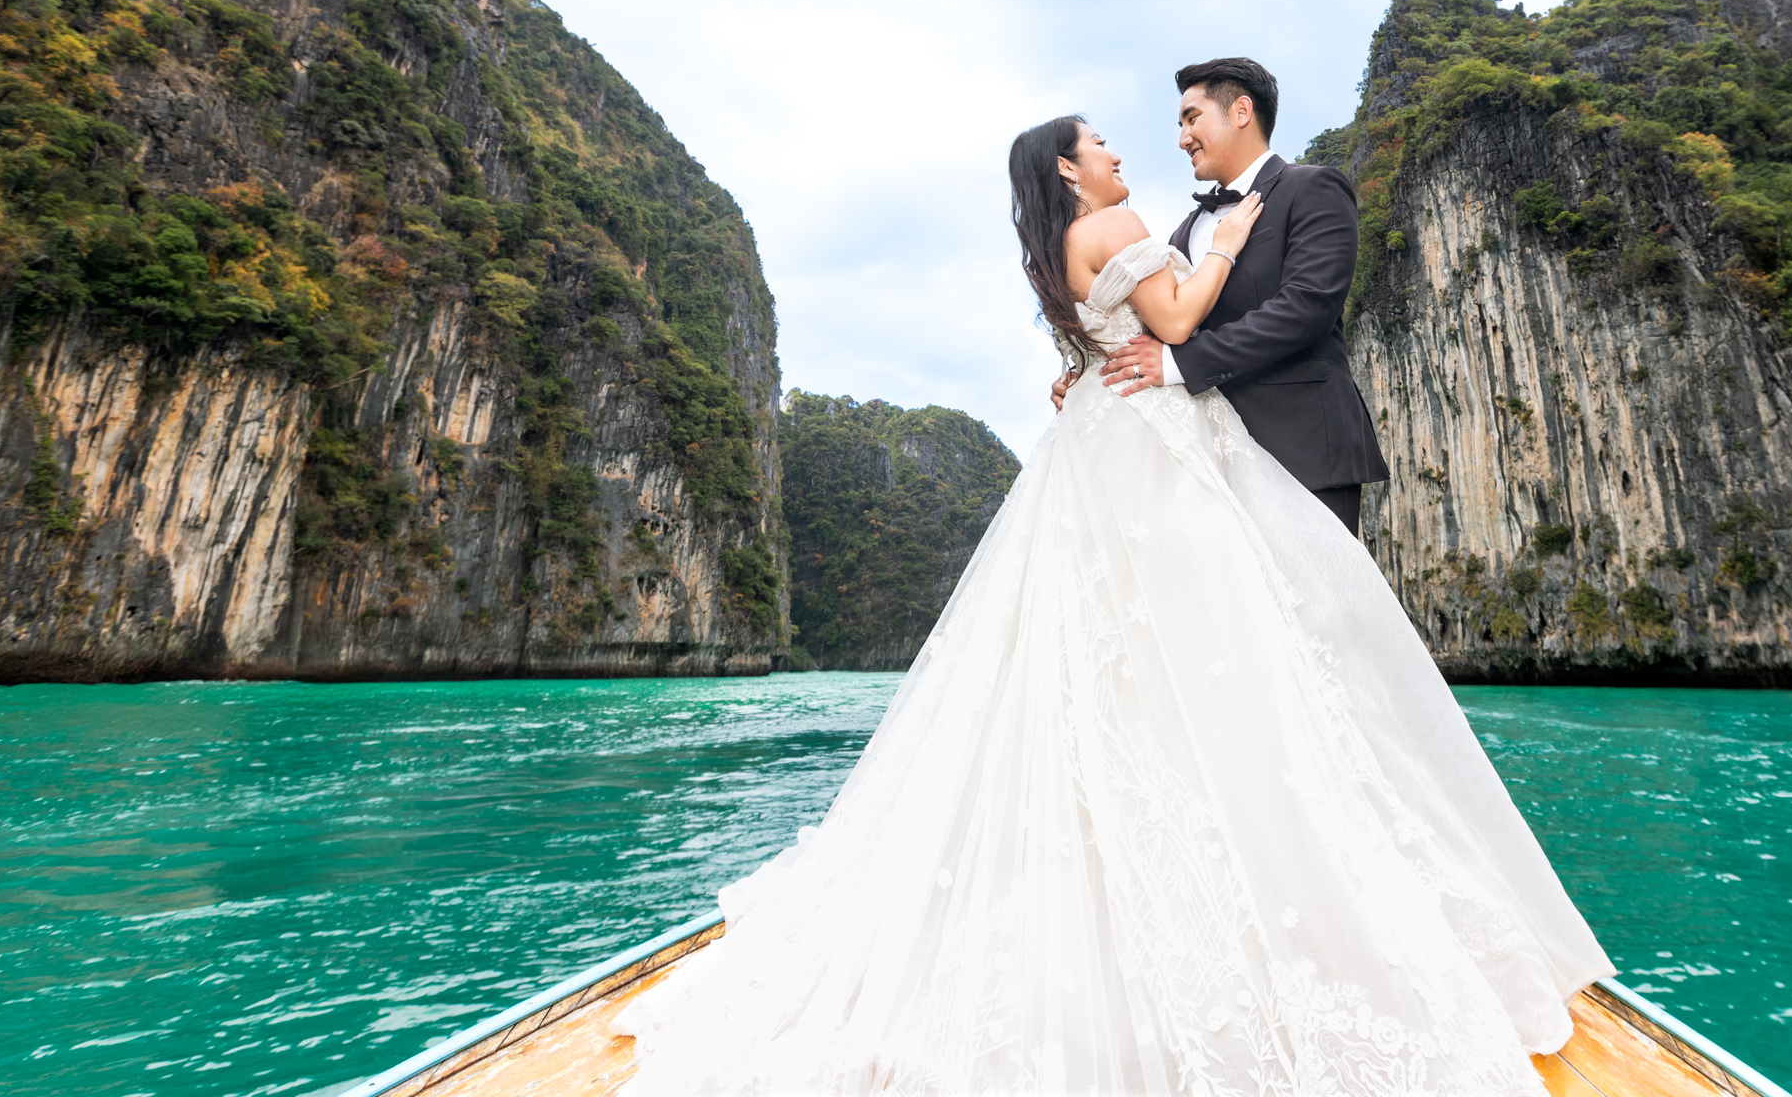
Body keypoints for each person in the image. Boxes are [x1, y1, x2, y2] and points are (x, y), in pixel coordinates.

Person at [615, 110, 1611, 1096]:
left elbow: (1097, 347)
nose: (1121, 153)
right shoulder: (1115, 227)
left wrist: (1090, 362)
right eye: (1101, 145)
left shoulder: (1055, 250)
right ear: (1068, 166)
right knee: (1218, 653)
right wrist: (1221, 247)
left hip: (1101, 439)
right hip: (1153, 448)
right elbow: (1177, 323)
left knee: (1107, 667)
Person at [1063, 58, 1387, 534]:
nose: (1181, 138)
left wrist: (1179, 364)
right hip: (1209, 459)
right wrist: (1084, 373)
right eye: (1179, 125)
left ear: (1240, 111)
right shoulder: (1182, 232)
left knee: (1320, 608)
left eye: (1192, 118)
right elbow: (1149, 322)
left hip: (1304, 446)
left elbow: (1308, 307)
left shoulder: (1312, 187)